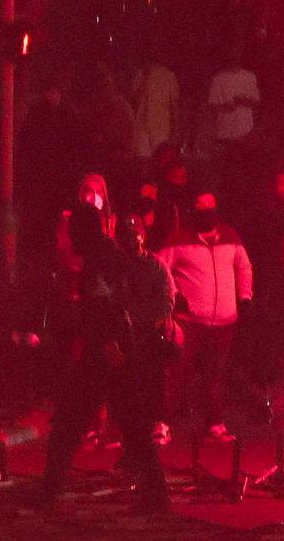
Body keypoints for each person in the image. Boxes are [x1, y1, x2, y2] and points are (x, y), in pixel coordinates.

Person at [40, 202, 172, 515]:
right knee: (128, 426)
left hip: (106, 353)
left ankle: (48, 492)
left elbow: (111, 306)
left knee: (72, 422)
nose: (71, 238)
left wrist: (110, 342)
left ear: (85, 231)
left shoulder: (102, 260)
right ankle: (157, 496)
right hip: (107, 351)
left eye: (74, 232)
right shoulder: (104, 256)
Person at [154, 191, 253, 442]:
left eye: (210, 207)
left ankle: (215, 424)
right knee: (177, 374)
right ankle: (163, 424)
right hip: (189, 321)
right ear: (193, 210)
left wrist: (245, 296)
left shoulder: (230, 237)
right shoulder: (179, 238)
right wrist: (174, 295)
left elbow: (244, 267)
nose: (207, 212)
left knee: (216, 375)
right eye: (201, 207)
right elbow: (159, 268)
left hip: (224, 320)